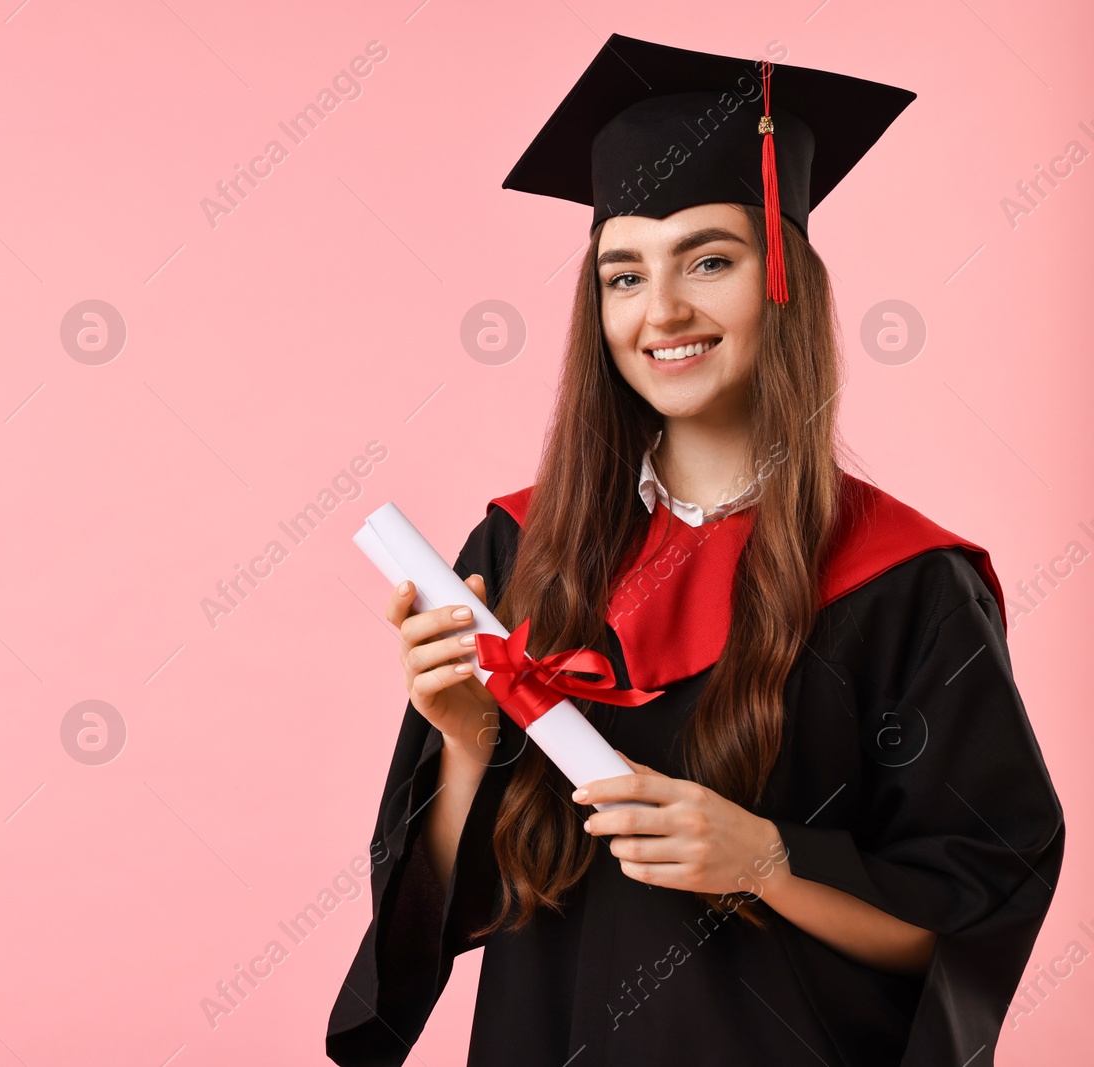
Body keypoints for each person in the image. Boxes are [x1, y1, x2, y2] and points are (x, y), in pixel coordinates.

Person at [326, 34, 1064, 1067]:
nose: (660, 310)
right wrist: (460, 741)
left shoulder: (904, 582)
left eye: (708, 259)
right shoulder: (518, 545)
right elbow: (456, 913)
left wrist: (767, 859)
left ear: (784, 282)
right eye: (622, 274)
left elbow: (967, 922)